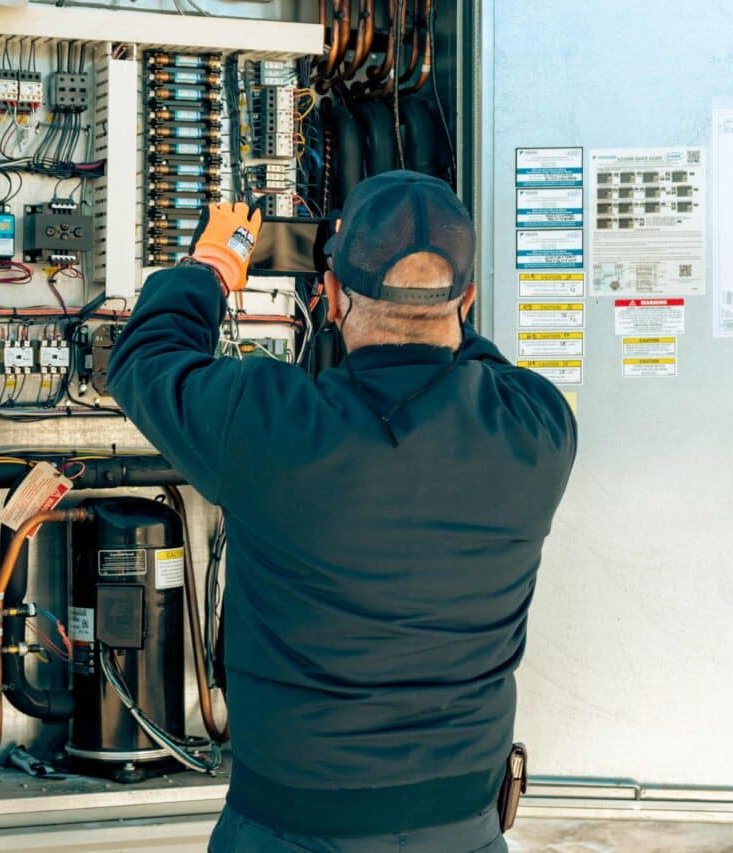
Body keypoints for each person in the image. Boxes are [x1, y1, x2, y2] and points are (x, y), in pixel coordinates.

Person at [107, 171, 577, 852]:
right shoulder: (538, 429)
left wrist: (211, 267)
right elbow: (472, 360)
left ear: (328, 295)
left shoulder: (270, 428)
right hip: (465, 833)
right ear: (468, 299)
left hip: (290, 833)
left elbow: (146, 358)